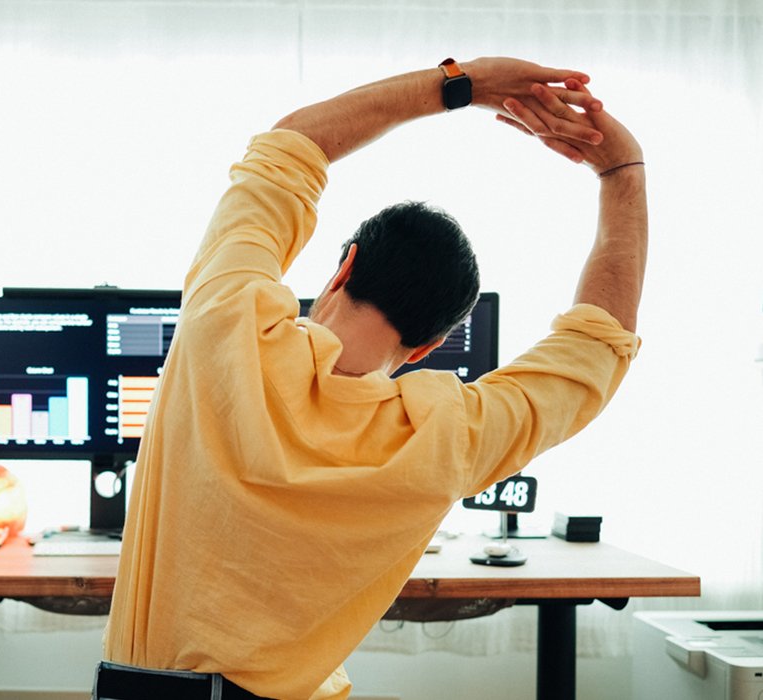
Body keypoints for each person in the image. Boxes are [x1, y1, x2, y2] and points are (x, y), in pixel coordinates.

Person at [96, 56, 647, 700]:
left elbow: (292, 146)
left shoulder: (227, 321)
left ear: (344, 268)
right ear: (430, 346)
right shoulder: (448, 435)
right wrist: (622, 173)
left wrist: (464, 83)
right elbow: (596, 346)